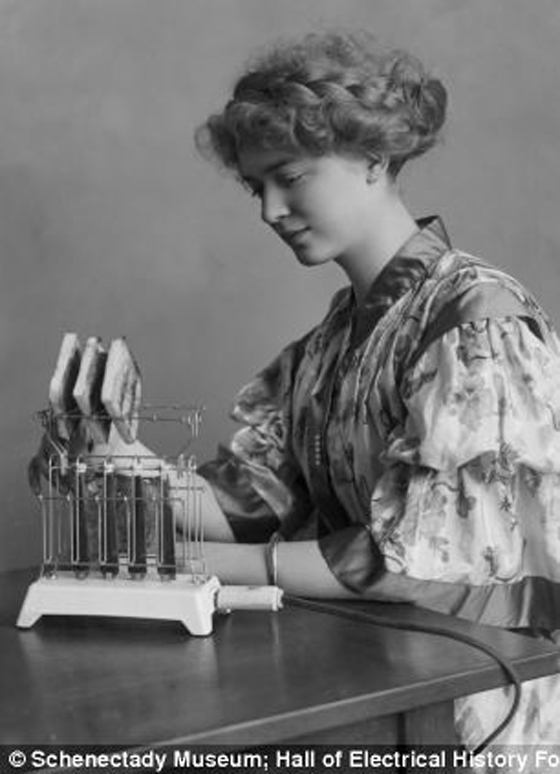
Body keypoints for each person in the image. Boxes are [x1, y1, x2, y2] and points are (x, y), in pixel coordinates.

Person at [30, 30, 560, 752]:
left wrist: (202, 567)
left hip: (480, 696)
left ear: (374, 158)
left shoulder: (477, 319)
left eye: (290, 176)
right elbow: (250, 502)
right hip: (376, 675)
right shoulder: (331, 340)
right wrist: (119, 456)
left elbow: (427, 554)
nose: (269, 210)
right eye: (257, 187)